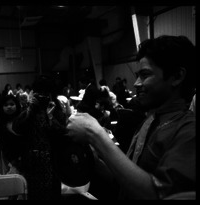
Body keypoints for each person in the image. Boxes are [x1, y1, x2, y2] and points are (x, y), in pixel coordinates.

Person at [66, 35, 196, 199]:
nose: (136, 84)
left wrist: (95, 134)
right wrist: (96, 160)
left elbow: (157, 195)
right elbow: (126, 183)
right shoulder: (149, 122)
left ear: (177, 76)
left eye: (145, 75)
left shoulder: (189, 133)